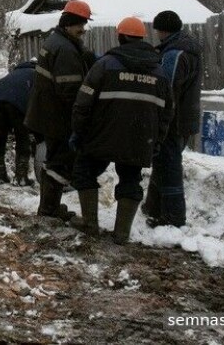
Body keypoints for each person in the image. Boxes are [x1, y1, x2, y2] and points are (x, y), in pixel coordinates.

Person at [69, 17, 172, 244]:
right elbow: (166, 112)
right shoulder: (159, 72)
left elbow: (83, 102)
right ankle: (122, 233)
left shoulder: (105, 65)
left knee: (83, 171)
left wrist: (79, 131)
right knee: (130, 179)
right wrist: (156, 141)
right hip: (139, 138)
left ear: (121, 36)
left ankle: (90, 223)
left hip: (102, 135)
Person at [24, 0, 94, 221]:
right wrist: (81, 119)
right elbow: (70, 91)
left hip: (47, 113)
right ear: (68, 24)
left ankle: (49, 208)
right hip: (58, 117)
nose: (83, 29)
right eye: (79, 25)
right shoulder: (65, 50)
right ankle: (49, 210)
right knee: (60, 164)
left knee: (52, 161)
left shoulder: (57, 42)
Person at [143, 10, 202, 228]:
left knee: (169, 166)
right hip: (184, 116)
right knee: (162, 163)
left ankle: (173, 218)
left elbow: (165, 87)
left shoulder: (175, 54)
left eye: (157, 29)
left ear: (161, 29)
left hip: (174, 120)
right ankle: (152, 208)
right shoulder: (185, 47)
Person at [0, 59, 37, 185]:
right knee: (22, 138)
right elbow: (38, 101)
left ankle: (0, 176)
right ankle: (21, 178)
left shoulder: (12, 74)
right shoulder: (35, 74)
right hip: (17, 105)